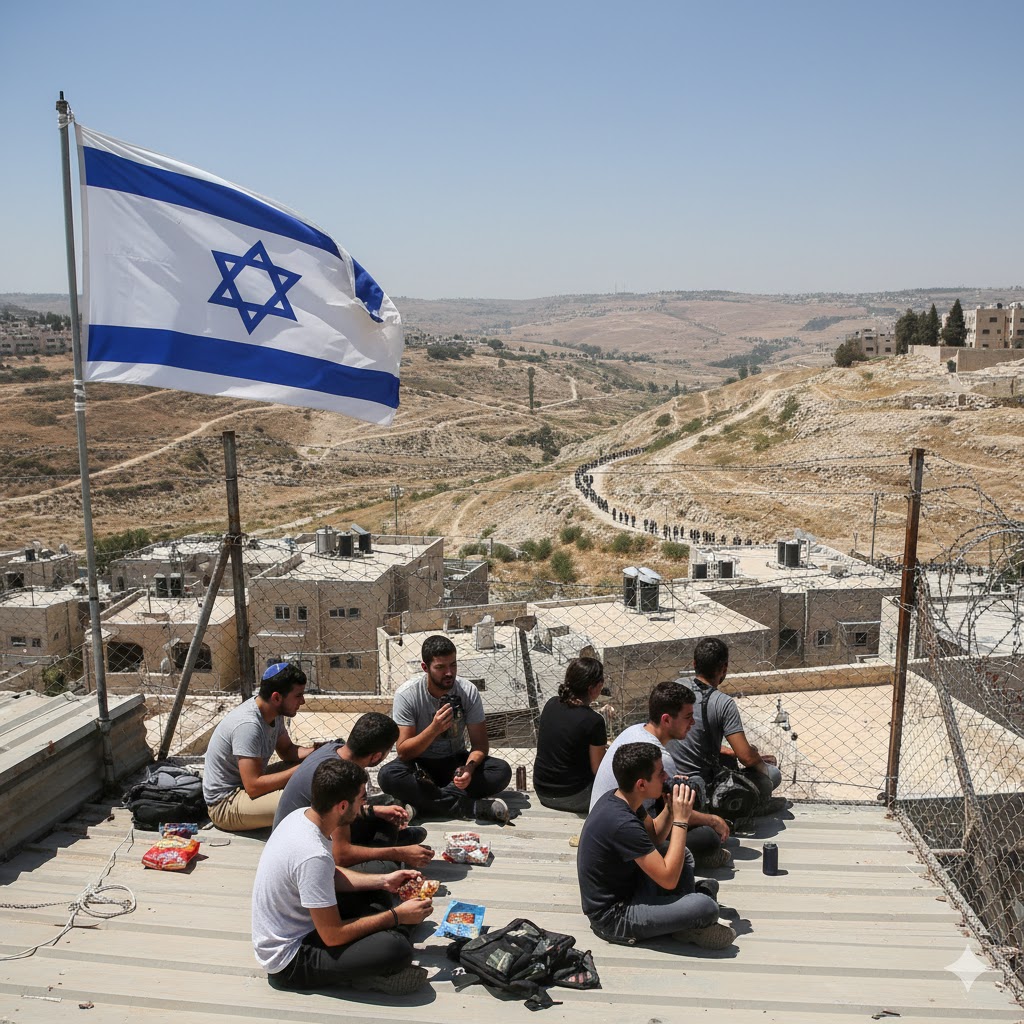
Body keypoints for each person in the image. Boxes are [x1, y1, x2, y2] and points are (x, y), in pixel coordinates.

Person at [253, 758, 433, 995]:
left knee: (378, 886)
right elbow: (333, 935)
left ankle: (386, 938)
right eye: (362, 799)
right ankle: (369, 972)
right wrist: (396, 916)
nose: (364, 805)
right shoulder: (312, 854)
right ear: (342, 806)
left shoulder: (303, 817)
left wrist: (384, 881)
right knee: (396, 948)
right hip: (292, 960)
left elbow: (329, 874)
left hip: (309, 923)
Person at [576, 742, 735, 949]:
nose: (667, 777)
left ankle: (682, 914)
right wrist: (681, 820)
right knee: (706, 907)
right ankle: (687, 919)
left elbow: (655, 836)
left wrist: (670, 808)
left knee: (683, 854)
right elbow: (668, 879)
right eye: (661, 773)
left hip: (632, 886)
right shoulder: (622, 823)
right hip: (615, 916)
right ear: (641, 785)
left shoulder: (621, 798)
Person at [590, 682, 733, 869]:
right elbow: (678, 810)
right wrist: (712, 820)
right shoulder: (660, 757)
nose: (693, 722)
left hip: (610, 820)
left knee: (693, 784)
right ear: (666, 720)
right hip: (624, 837)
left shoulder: (635, 730)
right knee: (706, 838)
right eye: (688, 717)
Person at [273, 712, 434, 873]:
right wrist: (399, 853)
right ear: (377, 756)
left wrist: (375, 811)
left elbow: (339, 811)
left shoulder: (334, 749)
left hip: (317, 826)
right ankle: (388, 848)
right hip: (300, 859)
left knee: (389, 803)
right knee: (387, 868)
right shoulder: (340, 780)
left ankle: (385, 846)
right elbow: (341, 856)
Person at [378, 635, 512, 823]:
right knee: (388, 776)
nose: (449, 673)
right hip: (420, 765)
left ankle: (421, 806)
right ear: (425, 668)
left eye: (453, 665)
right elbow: (404, 752)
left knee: (501, 770)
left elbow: (480, 745)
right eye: (440, 667)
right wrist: (434, 729)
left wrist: (469, 769)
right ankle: (470, 807)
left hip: (455, 763)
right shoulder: (407, 695)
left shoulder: (468, 691)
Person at [667, 637, 785, 815]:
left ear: (694, 664)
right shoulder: (723, 703)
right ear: (724, 668)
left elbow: (694, 739)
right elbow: (746, 757)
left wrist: (730, 752)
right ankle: (750, 808)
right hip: (701, 788)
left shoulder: (677, 686)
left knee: (730, 761)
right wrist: (762, 768)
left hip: (671, 780)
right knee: (774, 774)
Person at [203, 662, 315, 832]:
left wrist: (317, 752)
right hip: (225, 804)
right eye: (298, 695)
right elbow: (253, 786)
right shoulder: (248, 725)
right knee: (307, 801)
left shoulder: (274, 712)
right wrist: (303, 768)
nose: (303, 701)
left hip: (246, 787)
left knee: (318, 773)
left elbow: (287, 751)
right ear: (276, 698)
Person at [532, 657, 608, 813]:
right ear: (593, 688)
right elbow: (598, 770)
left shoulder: (551, 704)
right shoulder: (594, 721)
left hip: (542, 791)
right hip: (574, 796)